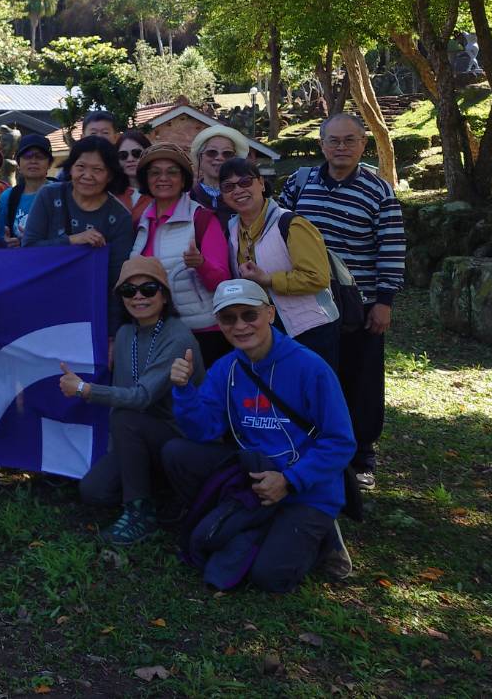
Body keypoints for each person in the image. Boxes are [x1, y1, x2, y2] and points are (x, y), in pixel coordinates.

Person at [163, 279, 355, 593]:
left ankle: (322, 537)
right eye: (229, 318)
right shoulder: (226, 369)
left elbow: (340, 441)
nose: (240, 326)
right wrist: (184, 392)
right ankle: (243, 517)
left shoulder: (310, 368)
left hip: (306, 486)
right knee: (176, 452)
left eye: (249, 315)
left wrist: (289, 481)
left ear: (270, 313)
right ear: (219, 323)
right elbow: (203, 430)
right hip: (253, 476)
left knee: (270, 577)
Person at [279, 113, 405, 491]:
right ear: (321, 144)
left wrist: (384, 301)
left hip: (358, 303)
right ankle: (312, 447)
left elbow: (391, 249)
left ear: (363, 144)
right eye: (333, 140)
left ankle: (361, 455)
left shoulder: (379, 191)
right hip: (306, 302)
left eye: (350, 140)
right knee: (313, 376)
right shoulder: (300, 183)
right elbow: (277, 232)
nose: (341, 147)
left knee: (361, 379)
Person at [66, 256, 203, 545]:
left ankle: (140, 513)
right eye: (129, 291)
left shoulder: (178, 337)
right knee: (94, 491)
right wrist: (116, 454)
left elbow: (139, 398)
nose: (138, 297)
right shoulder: (125, 333)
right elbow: (121, 396)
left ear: (164, 295)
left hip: (179, 440)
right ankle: (159, 493)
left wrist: (84, 389)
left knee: (127, 417)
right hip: (138, 437)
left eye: (148, 289)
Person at [220, 156, 341, 370]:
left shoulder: (291, 224)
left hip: (311, 329)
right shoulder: (232, 231)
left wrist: (268, 279)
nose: (238, 190)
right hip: (265, 331)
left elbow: (317, 278)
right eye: (229, 186)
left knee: (312, 388)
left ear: (261, 183)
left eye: (245, 182)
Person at [130, 142, 234, 364]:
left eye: (172, 172)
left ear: (183, 178)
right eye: (155, 173)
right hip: (158, 332)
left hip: (203, 333)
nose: (163, 178)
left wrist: (200, 264)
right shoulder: (141, 222)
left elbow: (222, 281)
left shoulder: (202, 219)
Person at [21, 135, 135, 324]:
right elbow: (28, 250)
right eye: (80, 167)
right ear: (71, 167)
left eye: (97, 170)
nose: (87, 175)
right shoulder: (49, 196)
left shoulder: (119, 217)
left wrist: (111, 332)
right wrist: (72, 240)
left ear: (110, 175)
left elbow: (117, 280)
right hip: (43, 304)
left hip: (91, 313)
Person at [0, 134, 53, 247]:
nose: (33, 161)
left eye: (40, 156)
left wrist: (33, 242)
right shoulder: (8, 197)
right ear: (18, 163)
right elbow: (2, 237)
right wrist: (8, 243)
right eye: (27, 156)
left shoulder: (60, 194)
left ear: (50, 163)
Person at [189, 124, 253, 221]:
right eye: (211, 152)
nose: (219, 158)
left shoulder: (246, 198)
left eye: (227, 154)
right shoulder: (186, 199)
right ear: (199, 158)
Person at [115, 129, 153, 223]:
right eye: (123, 155)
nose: (130, 159)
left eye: (136, 153)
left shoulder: (160, 191)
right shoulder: (111, 194)